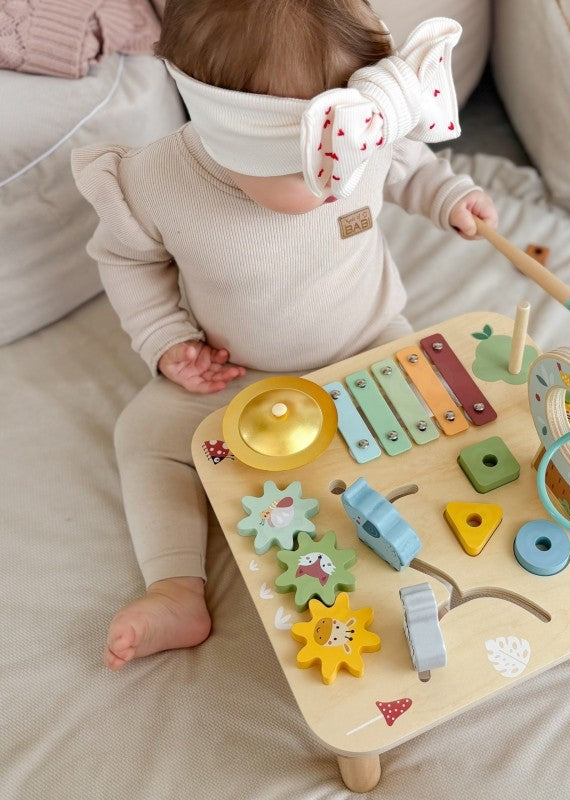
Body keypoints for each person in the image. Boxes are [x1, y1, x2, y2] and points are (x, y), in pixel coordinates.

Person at [72, 0, 498, 670]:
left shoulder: (363, 132)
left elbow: (410, 166)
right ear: (224, 131)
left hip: (370, 341)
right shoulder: (156, 181)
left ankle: (418, 550)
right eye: (312, 169)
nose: (344, 178)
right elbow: (127, 260)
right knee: (144, 436)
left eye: (358, 154)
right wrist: (166, 339)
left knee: (432, 423)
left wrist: (450, 198)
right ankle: (176, 587)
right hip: (239, 371)